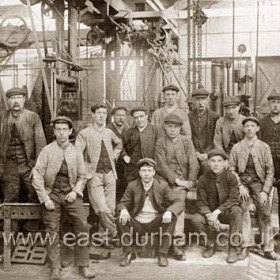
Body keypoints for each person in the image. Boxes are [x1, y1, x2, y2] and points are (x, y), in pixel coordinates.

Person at [32, 116, 95, 280]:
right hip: (51, 193)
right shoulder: (47, 151)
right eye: (58, 129)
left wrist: (75, 191)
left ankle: (83, 265)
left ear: (70, 131)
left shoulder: (76, 152)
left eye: (64, 130)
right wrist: (45, 198)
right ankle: (55, 267)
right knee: (51, 228)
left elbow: (83, 176)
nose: (61, 133)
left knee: (82, 224)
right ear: (54, 132)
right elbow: (37, 176)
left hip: (70, 193)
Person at [116, 158, 185, 267]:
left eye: (149, 170)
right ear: (139, 172)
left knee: (172, 217)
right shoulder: (132, 185)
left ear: (154, 172)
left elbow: (179, 202)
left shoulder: (162, 185)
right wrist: (123, 209)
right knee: (120, 218)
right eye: (144, 171)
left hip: (155, 222)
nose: (146, 174)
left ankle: (163, 253)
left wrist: (169, 211)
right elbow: (122, 203)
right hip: (137, 223)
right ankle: (128, 253)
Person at [229, 116, 280, 260]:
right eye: (247, 126)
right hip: (243, 184)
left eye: (252, 126)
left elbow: (270, 171)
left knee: (265, 211)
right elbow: (231, 170)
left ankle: (268, 248)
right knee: (244, 208)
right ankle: (245, 245)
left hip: (259, 184)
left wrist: (265, 191)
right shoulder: (237, 147)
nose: (249, 128)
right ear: (243, 129)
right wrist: (239, 186)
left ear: (257, 128)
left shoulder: (264, 147)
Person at [75, 103, 122, 248]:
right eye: (99, 113)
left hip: (110, 173)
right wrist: (84, 168)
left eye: (104, 113)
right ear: (93, 115)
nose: (102, 116)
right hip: (94, 175)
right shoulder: (85, 133)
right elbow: (76, 153)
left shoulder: (109, 132)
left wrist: (115, 154)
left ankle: (103, 238)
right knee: (101, 209)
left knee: (110, 209)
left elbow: (119, 144)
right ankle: (115, 233)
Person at [0, 86, 46, 231]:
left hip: (29, 165)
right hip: (8, 165)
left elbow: (40, 143)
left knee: (35, 194)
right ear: (8, 101)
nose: (16, 101)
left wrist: (37, 167)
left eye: (19, 98)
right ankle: (11, 234)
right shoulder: (2, 117)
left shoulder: (33, 117)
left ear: (24, 100)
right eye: (12, 98)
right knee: (9, 199)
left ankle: (32, 231)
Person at [155, 113, 199, 260]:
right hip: (164, 181)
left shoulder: (186, 141)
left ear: (181, 128)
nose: (172, 129)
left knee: (179, 205)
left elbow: (193, 162)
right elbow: (161, 165)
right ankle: (161, 241)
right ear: (165, 128)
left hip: (182, 182)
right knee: (159, 204)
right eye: (169, 126)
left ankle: (177, 243)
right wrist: (176, 181)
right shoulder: (161, 142)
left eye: (176, 127)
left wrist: (189, 182)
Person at [191, 149, 243, 263]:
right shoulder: (203, 178)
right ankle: (210, 244)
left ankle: (233, 248)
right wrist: (209, 214)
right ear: (208, 163)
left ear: (225, 163)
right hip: (209, 213)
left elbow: (233, 198)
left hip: (225, 212)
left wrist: (217, 212)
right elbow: (200, 201)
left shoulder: (231, 177)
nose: (216, 164)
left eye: (219, 161)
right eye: (213, 161)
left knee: (237, 211)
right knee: (196, 219)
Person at [121, 106, 164, 183]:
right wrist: (124, 155)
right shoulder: (129, 132)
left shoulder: (156, 131)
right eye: (136, 118)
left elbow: (162, 150)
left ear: (147, 116)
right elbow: (121, 146)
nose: (139, 120)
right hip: (133, 170)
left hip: (152, 169)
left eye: (141, 116)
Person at [259, 92, 280, 228]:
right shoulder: (262, 123)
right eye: (273, 103)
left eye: (278, 103)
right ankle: (267, 235)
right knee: (265, 202)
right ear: (269, 105)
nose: (275, 105)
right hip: (268, 166)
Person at [189, 89, 220, 174]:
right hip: (193, 153)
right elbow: (188, 137)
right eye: (197, 99)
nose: (200, 102)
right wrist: (195, 152)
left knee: (207, 166)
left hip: (210, 153)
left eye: (203, 99)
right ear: (193, 101)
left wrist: (207, 153)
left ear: (207, 101)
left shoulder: (215, 117)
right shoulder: (188, 116)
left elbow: (216, 138)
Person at [107, 106, 129, 201]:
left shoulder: (128, 129)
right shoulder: (107, 129)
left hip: (125, 166)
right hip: (111, 164)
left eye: (123, 115)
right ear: (113, 116)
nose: (121, 118)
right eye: (118, 115)